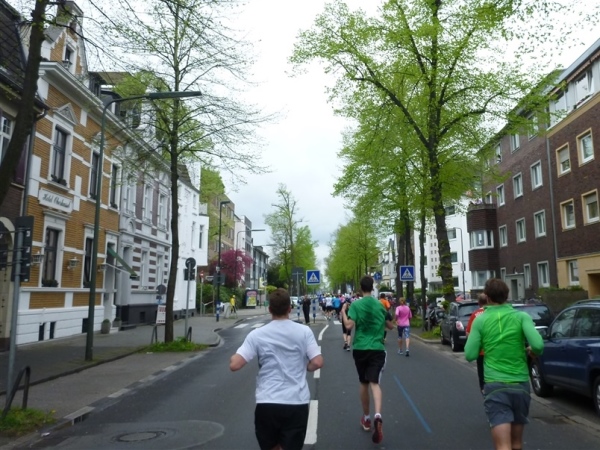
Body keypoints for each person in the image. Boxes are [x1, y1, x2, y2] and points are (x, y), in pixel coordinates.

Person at [230, 288, 323, 450]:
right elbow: (317, 362)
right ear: (290, 308)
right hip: (296, 402)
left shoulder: (257, 334)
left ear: (270, 309)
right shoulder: (304, 331)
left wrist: (234, 356)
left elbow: (235, 365)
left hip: (267, 402)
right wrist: (306, 367)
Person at [464, 279, 544, 450]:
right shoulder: (521, 317)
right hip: (520, 384)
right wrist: (531, 351)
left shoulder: (480, 320)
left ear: (487, 297)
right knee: (516, 444)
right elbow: (538, 345)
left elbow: (470, 355)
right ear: (507, 296)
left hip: (495, 385)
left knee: (503, 446)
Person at [341, 276, 394, 444]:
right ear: (372, 287)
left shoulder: (356, 305)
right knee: (375, 383)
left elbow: (349, 326)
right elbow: (390, 326)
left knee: (363, 382)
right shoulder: (380, 305)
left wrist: (343, 312)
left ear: (360, 287)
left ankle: (367, 418)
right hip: (377, 348)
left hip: (360, 348)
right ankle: (378, 415)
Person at [465, 293, 489, 394]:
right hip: (493, 350)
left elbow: (468, 333)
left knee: (482, 375)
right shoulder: (493, 313)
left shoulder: (475, 315)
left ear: (479, 303)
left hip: (481, 352)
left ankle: (484, 390)